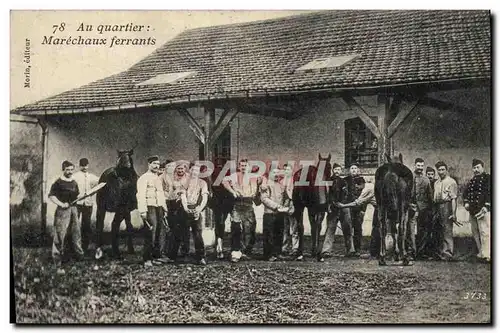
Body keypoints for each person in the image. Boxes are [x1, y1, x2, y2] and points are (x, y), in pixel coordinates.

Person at [48, 160, 83, 274]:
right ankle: (57, 261)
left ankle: (77, 257)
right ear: (63, 170)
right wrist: (61, 204)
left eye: (72, 169)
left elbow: (76, 195)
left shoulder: (74, 182)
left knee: (76, 233)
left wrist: (81, 197)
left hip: (73, 209)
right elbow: (51, 196)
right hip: (62, 211)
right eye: (68, 169)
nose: (70, 172)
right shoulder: (58, 182)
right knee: (60, 235)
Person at [222, 159, 261, 263]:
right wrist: (233, 192)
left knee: (250, 229)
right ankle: (235, 251)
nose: (243, 167)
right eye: (242, 166)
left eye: (245, 165)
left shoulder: (254, 177)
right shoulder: (234, 176)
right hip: (238, 204)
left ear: (248, 167)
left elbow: (262, 184)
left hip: (248, 204)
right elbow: (224, 181)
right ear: (239, 167)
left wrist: (257, 190)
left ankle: (246, 251)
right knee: (235, 228)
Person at [136, 155, 168, 267]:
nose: (156, 166)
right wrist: (143, 211)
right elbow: (140, 195)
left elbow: (161, 194)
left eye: (158, 164)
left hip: (158, 207)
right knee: (151, 232)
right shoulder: (144, 178)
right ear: (149, 164)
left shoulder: (158, 178)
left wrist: (164, 208)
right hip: (149, 207)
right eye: (154, 164)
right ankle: (147, 259)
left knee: (159, 231)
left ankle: (156, 257)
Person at [335, 177, 378, 259]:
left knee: (376, 229)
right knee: (376, 229)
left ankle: (375, 253)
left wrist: (343, 205)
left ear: (361, 184)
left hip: (380, 208)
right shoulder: (370, 186)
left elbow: (358, 202)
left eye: (357, 186)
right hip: (378, 207)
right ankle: (376, 252)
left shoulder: (366, 190)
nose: (356, 188)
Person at [175, 163, 210, 265]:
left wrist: (199, 209)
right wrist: (186, 208)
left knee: (198, 233)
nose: (194, 172)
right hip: (185, 208)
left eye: (197, 170)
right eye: (193, 170)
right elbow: (183, 196)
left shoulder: (202, 183)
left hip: (197, 208)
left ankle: (200, 256)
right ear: (189, 171)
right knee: (184, 232)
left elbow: (205, 198)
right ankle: (184, 254)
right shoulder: (184, 182)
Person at [321, 163, 354, 259]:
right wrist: (329, 205)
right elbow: (326, 194)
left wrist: (345, 204)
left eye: (339, 170)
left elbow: (348, 194)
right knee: (330, 229)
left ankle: (350, 250)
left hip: (344, 207)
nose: (337, 171)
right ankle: (326, 250)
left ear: (341, 171)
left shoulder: (344, 182)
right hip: (333, 208)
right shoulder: (328, 181)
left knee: (347, 229)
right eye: (335, 169)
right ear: (332, 170)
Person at [260, 168, 293, 261]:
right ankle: (268, 255)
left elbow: (286, 197)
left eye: (278, 173)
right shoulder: (265, 185)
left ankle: (277, 253)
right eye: (274, 172)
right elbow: (264, 199)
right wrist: (277, 206)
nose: (276, 174)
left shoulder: (281, 185)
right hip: (269, 213)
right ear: (269, 173)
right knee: (268, 235)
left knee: (279, 234)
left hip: (280, 213)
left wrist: (285, 205)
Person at [463, 159, 491, 263]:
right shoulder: (472, 180)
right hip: (473, 210)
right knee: (475, 232)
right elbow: (465, 193)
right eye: (474, 168)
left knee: (485, 232)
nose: (476, 170)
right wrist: (466, 202)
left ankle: (488, 254)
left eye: (478, 167)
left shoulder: (488, 178)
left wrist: (487, 206)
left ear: (483, 167)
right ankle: (481, 252)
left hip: (483, 210)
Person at [162, 160, 190, 258]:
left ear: (185, 169)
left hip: (185, 205)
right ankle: (172, 251)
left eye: (182, 168)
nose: (180, 170)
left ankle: (185, 250)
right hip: (174, 205)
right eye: (178, 168)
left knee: (185, 228)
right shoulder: (172, 177)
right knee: (175, 229)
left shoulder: (189, 177)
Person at [407, 158, 434, 260]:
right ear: (415, 165)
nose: (420, 168)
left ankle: (421, 252)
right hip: (412, 207)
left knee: (422, 231)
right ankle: (411, 252)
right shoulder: (410, 178)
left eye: (422, 166)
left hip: (423, 208)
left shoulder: (426, 179)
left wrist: (429, 208)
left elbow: (430, 195)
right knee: (410, 231)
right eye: (418, 165)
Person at [433, 161, 459, 261]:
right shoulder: (437, 182)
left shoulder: (451, 182)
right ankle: (441, 252)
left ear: (446, 170)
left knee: (447, 229)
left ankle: (448, 253)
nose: (441, 172)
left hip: (447, 206)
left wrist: (453, 213)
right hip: (437, 206)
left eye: (443, 169)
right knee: (439, 229)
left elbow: (453, 198)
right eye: (439, 170)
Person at [72, 158, 99, 254]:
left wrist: (94, 191)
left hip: (88, 203)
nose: (84, 167)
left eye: (86, 165)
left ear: (88, 165)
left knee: (86, 225)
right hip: (77, 203)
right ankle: (74, 247)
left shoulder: (92, 177)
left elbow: (100, 183)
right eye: (82, 165)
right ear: (79, 166)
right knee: (75, 225)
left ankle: (85, 247)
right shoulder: (75, 176)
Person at [211, 158, 234, 259]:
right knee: (220, 224)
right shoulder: (215, 172)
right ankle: (219, 248)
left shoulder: (229, 172)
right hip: (219, 201)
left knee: (222, 224)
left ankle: (223, 248)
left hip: (228, 200)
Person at [344, 163, 365, 256]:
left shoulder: (361, 180)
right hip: (348, 207)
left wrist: (363, 210)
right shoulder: (345, 180)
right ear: (349, 170)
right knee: (348, 228)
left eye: (355, 168)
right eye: (352, 168)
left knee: (358, 228)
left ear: (358, 170)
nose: (353, 170)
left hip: (358, 208)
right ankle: (349, 250)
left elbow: (364, 196)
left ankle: (358, 249)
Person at [281, 163, 299, 258]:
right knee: (285, 228)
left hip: (292, 204)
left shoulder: (295, 181)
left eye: (288, 170)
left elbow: (295, 195)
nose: (286, 172)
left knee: (294, 228)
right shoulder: (281, 181)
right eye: (284, 170)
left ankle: (295, 248)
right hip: (284, 206)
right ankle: (285, 247)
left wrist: (293, 205)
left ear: (291, 171)